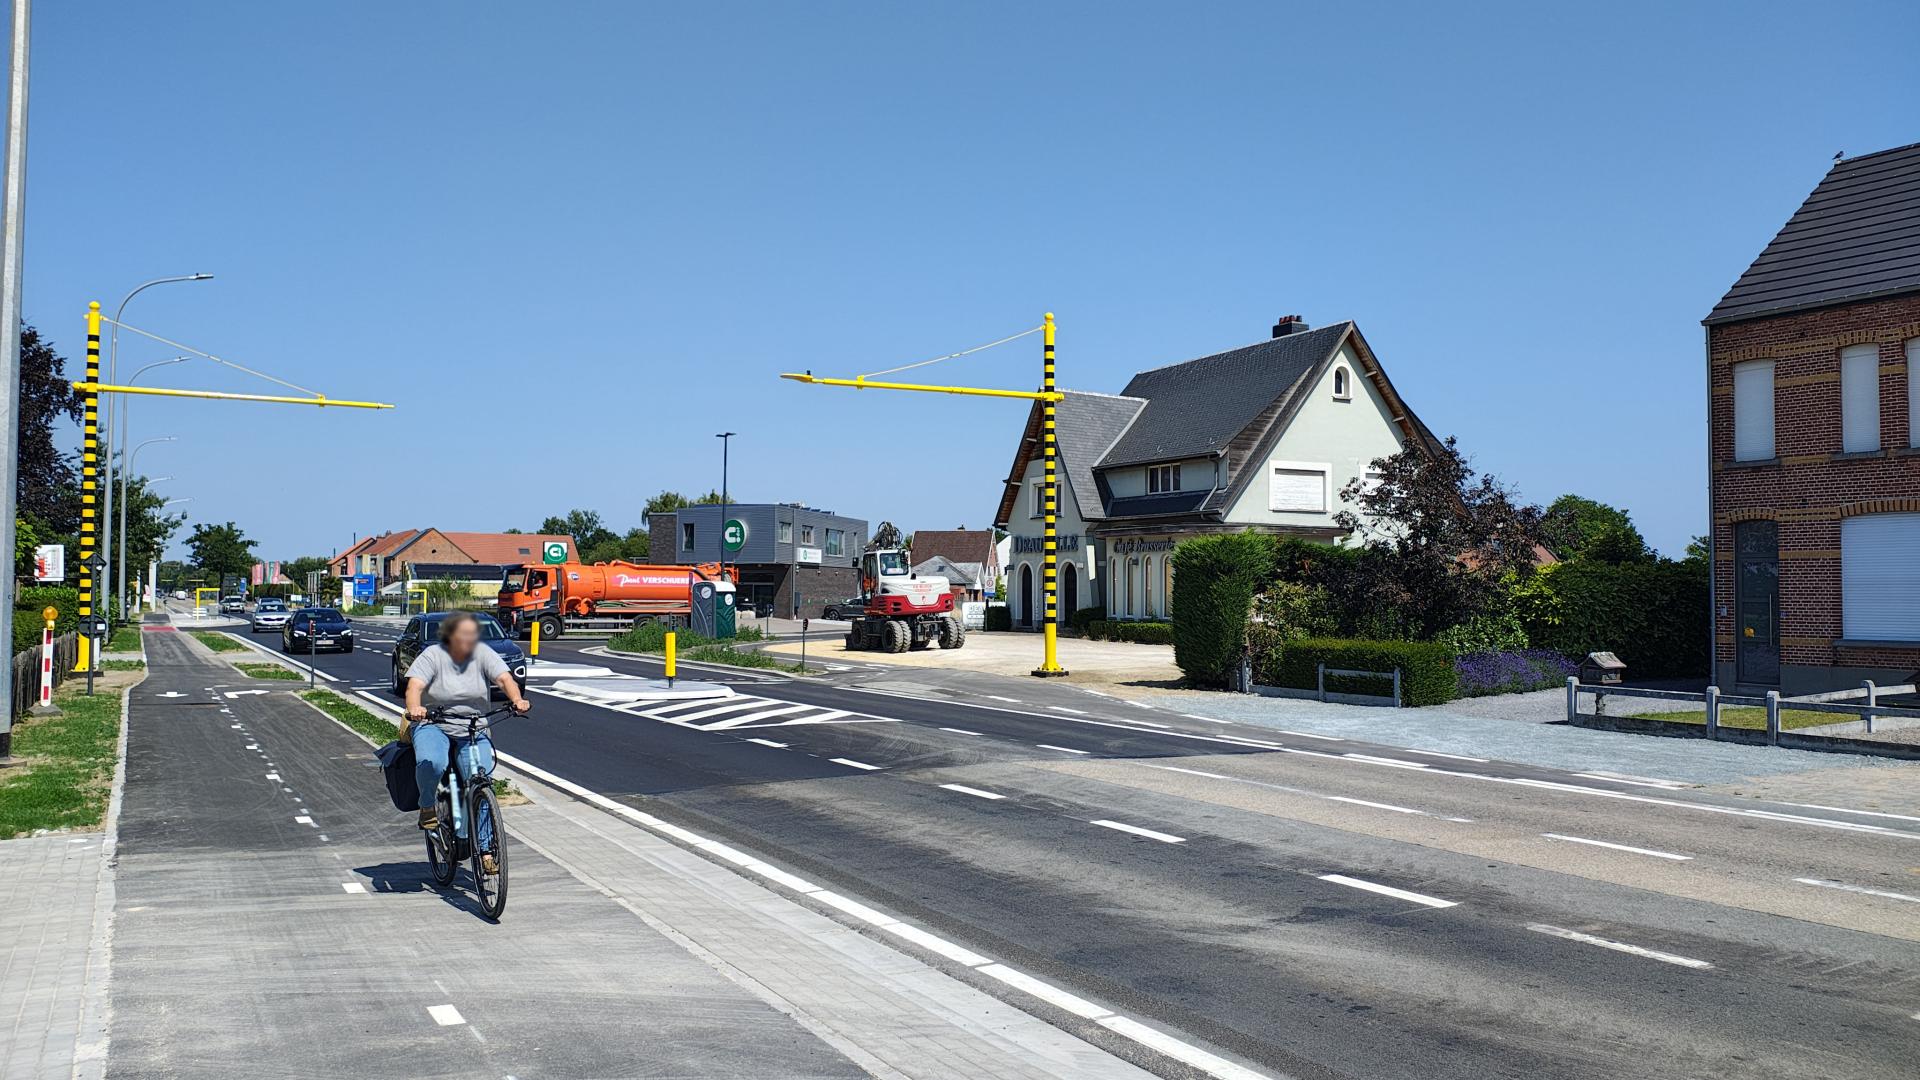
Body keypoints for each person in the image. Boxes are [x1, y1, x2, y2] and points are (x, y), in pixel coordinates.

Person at [403, 611, 530, 872]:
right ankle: (427, 805)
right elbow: (414, 686)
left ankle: (485, 851)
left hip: (472, 725)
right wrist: (415, 708)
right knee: (432, 762)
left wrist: (517, 699)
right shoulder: (433, 655)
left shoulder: (482, 653)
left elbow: (505, 678)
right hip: (434, 723)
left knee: (480, 780)